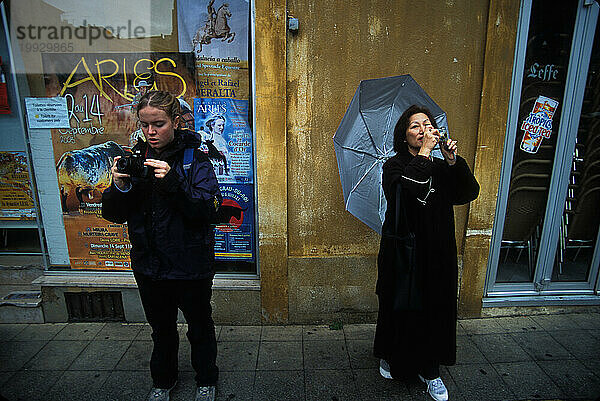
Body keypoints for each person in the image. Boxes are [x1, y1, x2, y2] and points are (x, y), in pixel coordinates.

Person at [101, 91, 222, 401]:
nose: (151, 132)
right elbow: (114, 214)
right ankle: (163, 381)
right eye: (144, 125)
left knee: (199, 327)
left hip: (190, 264)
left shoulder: (196, 159)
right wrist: (119, 186)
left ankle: (206, 379)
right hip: (149, 265)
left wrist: (172, 182)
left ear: (176, 122)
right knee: (162, 330)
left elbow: (206, 213)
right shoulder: (136, 159)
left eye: (159, 124)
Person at [373, 105, 479, 401]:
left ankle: (431, 371)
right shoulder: (393, 166)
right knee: (400, 305)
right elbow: (407, 192)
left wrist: (453, 161)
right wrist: (423, 156)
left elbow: (467, 193)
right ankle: (393, 356)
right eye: (415, 126)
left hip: (437, 249)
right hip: (404, 249)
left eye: (427, 124)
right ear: (404, 135)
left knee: (434, 307)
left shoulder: (441, 164)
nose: (422, 130)